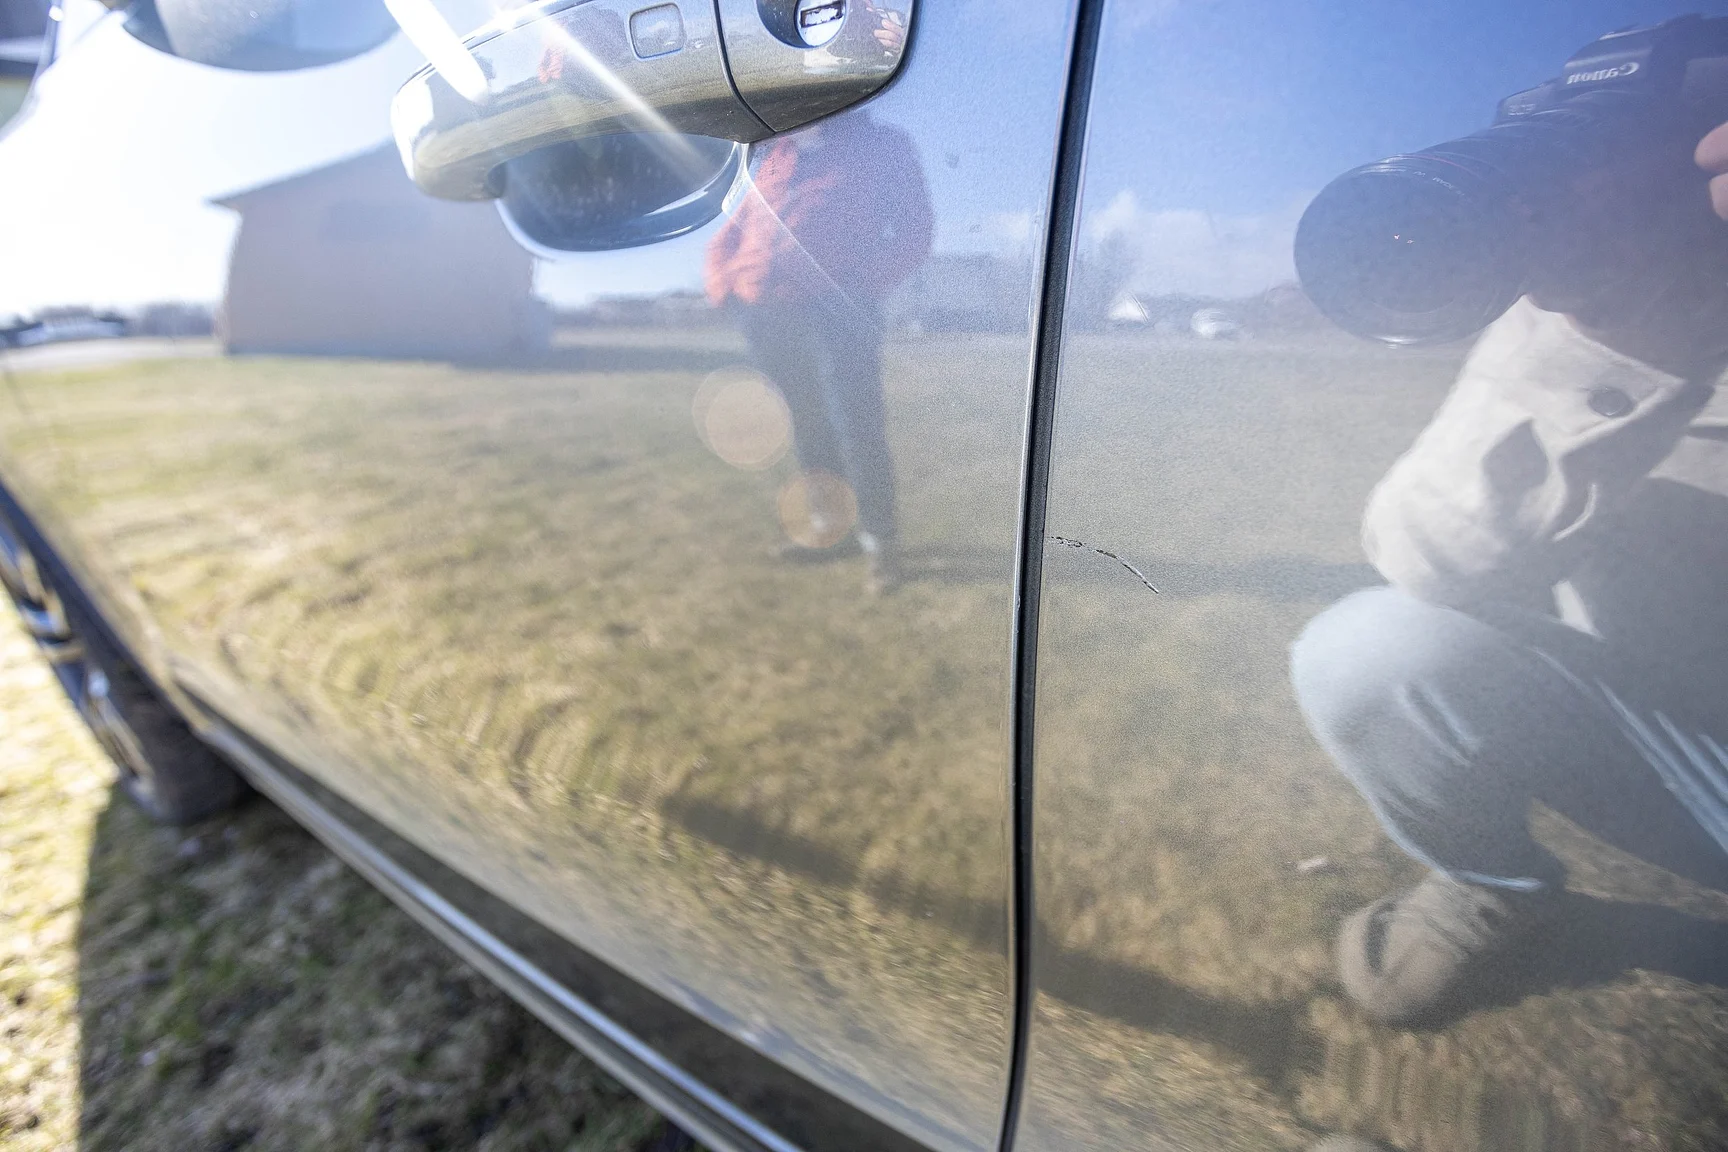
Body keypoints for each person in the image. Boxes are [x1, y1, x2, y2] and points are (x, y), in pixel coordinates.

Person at [1290, 117, 1728, 1027]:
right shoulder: (1619, 290)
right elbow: (1425, 552)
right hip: (1687, 739)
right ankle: (1495, 886)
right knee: (1370, 650)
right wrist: (1610, 321)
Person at [703, 108, 932, 593]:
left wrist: (862, 287)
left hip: (839, 310)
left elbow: (915, 231)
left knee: (857, 424)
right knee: (804, 421)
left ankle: (880, 544)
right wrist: (724, 286)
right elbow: (735, 229)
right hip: (765, 311)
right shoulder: (774, 155)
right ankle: (831, 529)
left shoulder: (881, 146)